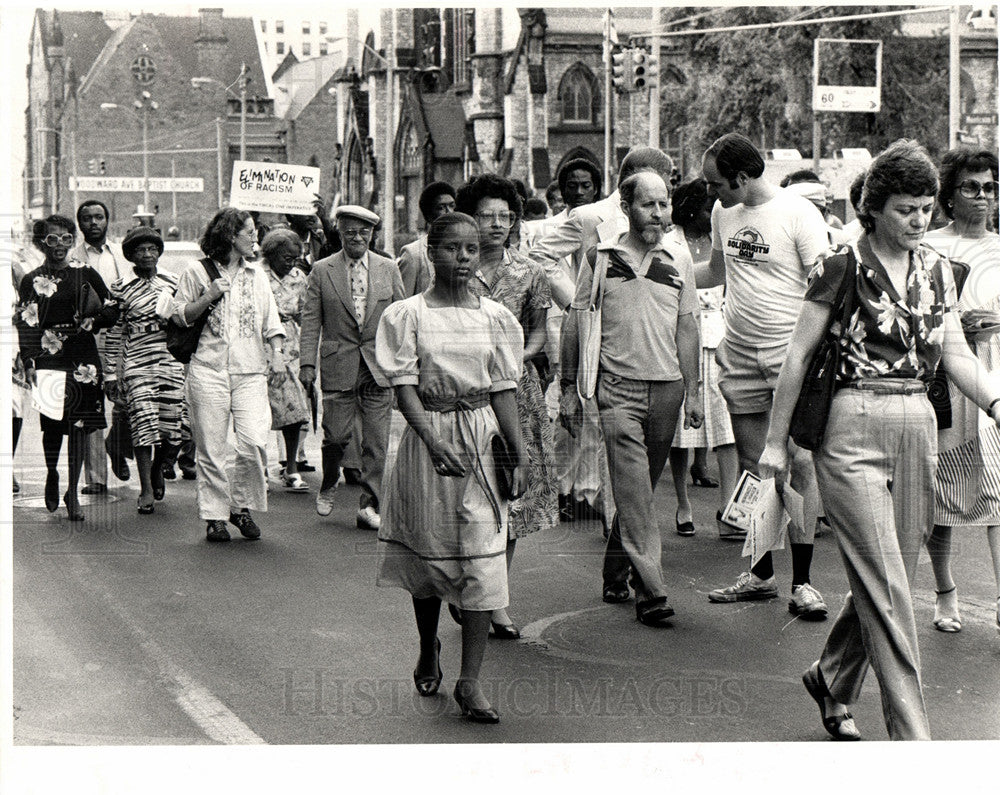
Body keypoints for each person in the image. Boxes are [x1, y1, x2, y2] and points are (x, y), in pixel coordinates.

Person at [757, 138, 1000, 741]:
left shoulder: (943, 271)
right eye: (904, 209)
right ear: (873, 209)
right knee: (888, 583)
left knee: (890, 571)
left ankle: (832, 677)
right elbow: (797, 355)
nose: (919, 220)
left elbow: (956, 355)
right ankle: (913, 741)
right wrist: (774, 444)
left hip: (921, 423)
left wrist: (996, 400)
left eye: (925, 208)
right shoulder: (840, 267)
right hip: (850, 425)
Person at [374, 212, 526, 723]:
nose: (462, 258)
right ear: (430, 252)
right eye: (451, 249)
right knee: (430, 558)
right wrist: (430, 439)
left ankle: (470, 681)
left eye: (470, 249)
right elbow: (404, 386)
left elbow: (504, 388)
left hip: (482, 441)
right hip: (428, 444)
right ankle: (427, 644)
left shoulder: (496, 318)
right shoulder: (407, 315)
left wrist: (519, 450)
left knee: (485, 559)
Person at [560, 172, 703, 627]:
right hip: (616, 389)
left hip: (668, 391)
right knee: (637, 490)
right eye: (648, 205)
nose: (659, 214)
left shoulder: (678, 259)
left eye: (664, 204)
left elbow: (687, 329)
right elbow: (574, 323)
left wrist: (694, 392)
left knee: (637, 489)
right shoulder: (602, 259)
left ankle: (615, 569)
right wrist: (567, 386)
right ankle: (652, 590)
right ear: (626, 207)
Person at [698, 132, 830, 618]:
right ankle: (760, 574)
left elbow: (825, 285)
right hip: (739, 354)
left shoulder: (798, 213)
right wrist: (661, 270)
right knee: (757, 465)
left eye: (717, 184)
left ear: (742, 176)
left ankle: (805, 582)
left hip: (789, 355)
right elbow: (715, 272)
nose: (712, 193)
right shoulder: (723, 213)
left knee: (798, 461)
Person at [456, 173, 559, 637]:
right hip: (464, 394)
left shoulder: (530, 272)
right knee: (467, 498)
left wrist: (518, 355)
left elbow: (539, 330)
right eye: (486, 216)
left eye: (505, 216)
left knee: (511, 500)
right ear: (470, 219)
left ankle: (496, 600)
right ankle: (464, 585)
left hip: (517, 393)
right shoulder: (455, 269)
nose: (497, 224)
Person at [173, 208, 285, 542]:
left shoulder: (257, 274)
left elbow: (272, 321)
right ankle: (215, 517)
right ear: (229, 236)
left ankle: (239, 506)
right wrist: (210, 294)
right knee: (211, 448)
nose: (255, 238)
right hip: (208, 369)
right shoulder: (197, 272)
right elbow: (180, 316)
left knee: (253, 443)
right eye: (249, 232)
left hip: (251, 371)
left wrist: (277, 355)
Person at [923, 147, 1000, 633]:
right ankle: (945, 589)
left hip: (995, 372)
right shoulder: (930, 246)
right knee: (944, 489)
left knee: (999, 488)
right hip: (944, 377)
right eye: (971, 187)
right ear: (949, 195)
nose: (982, 197)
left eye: (990, 187)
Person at [298, 205, 405, 529]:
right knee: (336, 437)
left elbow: (401, 316)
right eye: (349, 233)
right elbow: (311, 320)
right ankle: (330, 480)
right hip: (338, 362)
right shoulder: (322, 270)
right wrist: (306, 363)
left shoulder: (388, 268)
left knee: (376, 441)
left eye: (364, 233)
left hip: (378, 364)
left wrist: (403, 363)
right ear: (339, 233)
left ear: (372, 235)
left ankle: (369, 503)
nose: (357, 238)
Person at [16, 214, 119, 521]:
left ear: (73, 240)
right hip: (49, 355)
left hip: (82, 356)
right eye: (51, 239)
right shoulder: (30, 278)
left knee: (78, 427)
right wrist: (30, 360)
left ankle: (71, 491)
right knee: (52, 425)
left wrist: (95, 320)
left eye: (65, 238)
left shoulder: (85, 273)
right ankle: (51, 474)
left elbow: (112, 306)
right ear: (40, 243)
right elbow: (26, 322)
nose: (59, 245)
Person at [531, 157, 615, 530]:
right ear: (560, 188)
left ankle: (588, 492)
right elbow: (540, 262)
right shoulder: (551, 227)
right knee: (562, 409)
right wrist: (573, 300)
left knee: (592, 408)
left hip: (597, 324)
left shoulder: (604, 220)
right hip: (562, 323)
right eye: (572, 185)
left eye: (586, 185)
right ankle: (561, 489)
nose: (579, 192)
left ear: (597, 187)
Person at [665, 179, 739, 539]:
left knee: (727, 428)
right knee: (681, 433)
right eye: (711, 205)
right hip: (683, 340)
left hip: (722, 339)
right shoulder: (670, 241)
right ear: (694, 207)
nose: (716, 212)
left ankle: (730, 507)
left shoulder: (719, 242)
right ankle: (683, 504)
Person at [530, 147, 675, 310]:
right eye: (663, 181)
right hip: (599, 327)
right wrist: (575, 303)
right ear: (638, 175)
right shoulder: (590, 216)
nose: (667, 188)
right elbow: (539, 255)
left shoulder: (660, 217)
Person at [104, 227, 184, 514]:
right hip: (138, 358)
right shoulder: (120, 287)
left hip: (170, 357)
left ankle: (159, 468)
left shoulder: (174, 281)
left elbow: (187, 320)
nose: (147, 254)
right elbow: (115, 332)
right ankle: (146, 488)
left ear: (159, 251)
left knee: (173, 425)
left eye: (152, 249)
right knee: (143, 423)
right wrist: (111, 372)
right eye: (141, 250)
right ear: (131, 256)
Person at [71, 199, 130, 492]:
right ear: (80, 224)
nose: (93, 223)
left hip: (122, 336)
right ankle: (95, 478)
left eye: (99, 217)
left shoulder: (122, 255)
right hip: (86, 337)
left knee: (127, 400)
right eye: (87, 218)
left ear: (108, 220)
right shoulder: (72, 257)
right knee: (91, 406)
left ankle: (117, 445)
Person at [259, 228, 313, 493]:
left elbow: (305, 315)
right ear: (271, 255)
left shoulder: (299, 278)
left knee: (294, 410)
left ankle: (291, 467)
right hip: (261, 346)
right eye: (286, 258)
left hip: (291, 346)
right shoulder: (256, 274)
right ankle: (259, 470)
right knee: (259, 411)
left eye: (295, 258)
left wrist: (309, 355)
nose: (291, 263)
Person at [396, 181, 456, 297]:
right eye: (441, 208)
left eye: (452, 206)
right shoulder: (413, 254)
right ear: (429, 215)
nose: (449, 212)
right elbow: (402, 304)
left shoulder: (465, 249)